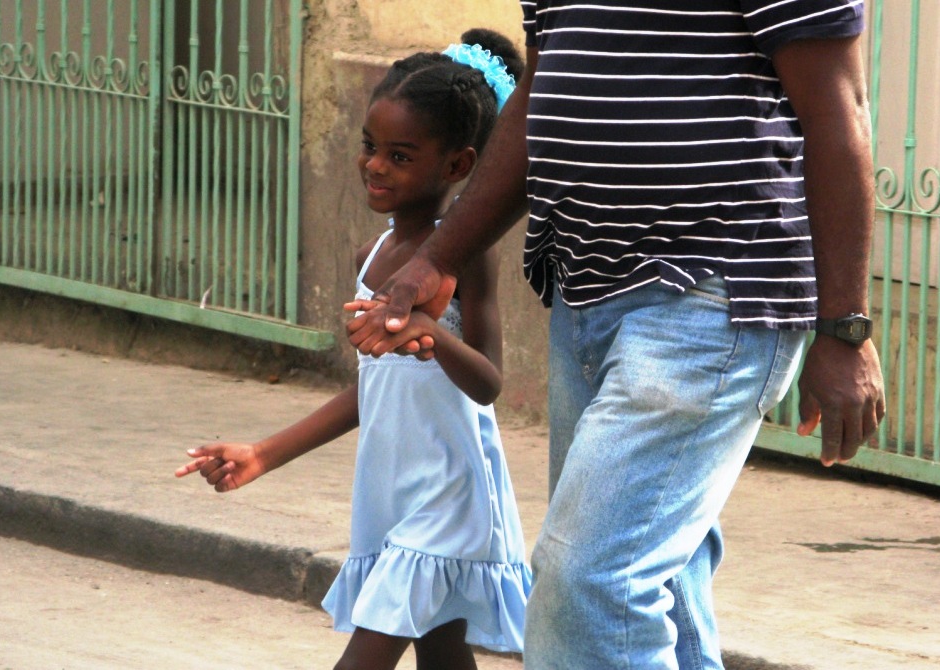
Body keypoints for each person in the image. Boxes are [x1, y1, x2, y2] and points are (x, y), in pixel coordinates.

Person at [346, 2, 886, 669]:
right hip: (584, 290)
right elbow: (539, 100)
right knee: (654, 576)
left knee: (588, 586)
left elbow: (839, 111)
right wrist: (438, 256)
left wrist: (845, 328)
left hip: (713, 296)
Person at [176, 29, 531, 670]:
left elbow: (489, 384)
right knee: (444, 653)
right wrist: (263, 452)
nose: (373, 165)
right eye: (370, 147)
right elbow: (370, 389)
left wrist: (434, 333)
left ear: (457, 165)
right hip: (390, 492)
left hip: (449, 498)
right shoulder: (372, 258)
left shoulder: (465, 253)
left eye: (400, 156)